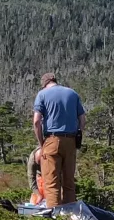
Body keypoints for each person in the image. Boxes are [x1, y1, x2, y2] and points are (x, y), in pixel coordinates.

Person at [32, 73, 85, 207]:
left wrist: (41, 143)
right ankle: (71, 219)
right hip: (71, 140)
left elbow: (37, 121)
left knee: (51, 183)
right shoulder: (72, 93)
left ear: (44, 84)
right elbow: (82, 119)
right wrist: (78, 134)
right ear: (55, 81)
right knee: (69, 183)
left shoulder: (42, 94)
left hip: (52, 139)